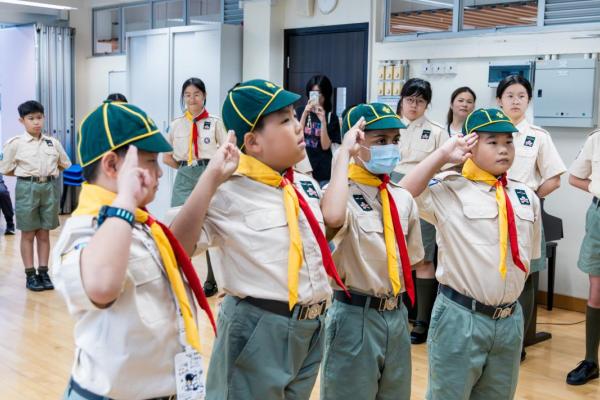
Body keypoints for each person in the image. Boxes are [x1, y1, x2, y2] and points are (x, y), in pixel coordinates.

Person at [167, 79, 347, 399]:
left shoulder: (301, 184)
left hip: (311, 327)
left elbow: (323, 233)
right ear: (252, 142)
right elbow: (177, 249)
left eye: (295, 116)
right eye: (286, 120)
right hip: (259, 327)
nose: (298, 126)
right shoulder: (227, 190)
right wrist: (210, 179)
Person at [52, 100, 237, 399]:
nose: (160, 172)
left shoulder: (140, 223)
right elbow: (101, 285)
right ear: (112, 165)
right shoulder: (86, 228)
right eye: (150, 161)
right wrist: (125, 200)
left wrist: (211, 176)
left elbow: (179, 251)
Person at [400, 108, 541, 399]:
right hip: (461, 317)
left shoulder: (525, 196)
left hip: (508, 319)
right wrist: (443, 155)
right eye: (493, 142)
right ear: (470, 146)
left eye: (509, 141)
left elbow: (528, 261)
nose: (504, 149)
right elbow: (401, 194)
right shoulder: (449, 189)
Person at [319, 103, 424, 399]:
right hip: (355, 314)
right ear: (357, 143)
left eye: (395, 140)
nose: (390, 147)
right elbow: (332, 220)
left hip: (396, 315)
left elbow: (412, 260)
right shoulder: (339, 194)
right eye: (380, 140)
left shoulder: (402, 198)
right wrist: (342, 156)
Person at [497, 75, 566, 360]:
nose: (515, 101)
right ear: (499, 100)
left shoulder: (538, 136)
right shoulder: (487, 131)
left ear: (528, 101)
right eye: (510, 95)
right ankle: (494, 336)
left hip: (524, 215)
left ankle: (519, 342)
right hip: (489, 211)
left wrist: (530, 198)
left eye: (521, 96)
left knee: (525, 277)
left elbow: (555, 178)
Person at [392, 78, 447, 344]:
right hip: (391, 194)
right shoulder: (389, 126)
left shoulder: (436, 131)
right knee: (393, 255)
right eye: (410, 99)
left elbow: (446, 169)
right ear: (402, 100)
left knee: (424, 259)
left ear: (427, 104)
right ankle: (396, 313)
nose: (414, 105)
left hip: (423, 200)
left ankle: (422, 321)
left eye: (420, 101)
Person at [163, 77, 228, 297]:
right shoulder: (176, 124)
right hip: (184, 177)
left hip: (208, 174)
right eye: (188, 95)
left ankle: (211, 280)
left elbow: (225, 151)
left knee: (210, 226)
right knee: (178, 226)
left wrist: (210, 171)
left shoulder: (215, 122)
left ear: (204, 96)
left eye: (196, 94)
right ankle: (181, 278)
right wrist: (184, 168)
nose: (192, 99)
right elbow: (166, 157)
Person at [0, 100, 71, 291]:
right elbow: (5, 168)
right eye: (31, 118)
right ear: (22, 120)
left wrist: (46, 175)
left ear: (44, 118)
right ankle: (30, 274)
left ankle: (44, 272)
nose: (36, 122)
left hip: (49, 188)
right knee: (28, 233)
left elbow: (64, 164)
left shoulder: (52, 143)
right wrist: (27, 176)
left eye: (39, 118)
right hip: (26, 189)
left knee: (44, 233)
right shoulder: (15, 144)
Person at [565, 128, 600, 385]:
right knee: (596, 290)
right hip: (599, 217)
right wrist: (597, 187)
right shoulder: (596, 139)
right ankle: (590, 361)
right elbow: (575, 178)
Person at [296, 74, 341, 186]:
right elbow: (297, 137)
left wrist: (323, 121)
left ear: (326, 94)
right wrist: (305, 114)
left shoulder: (331, 117)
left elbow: (325, 146)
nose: (316, 97)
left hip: (323, 172)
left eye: (319, 93)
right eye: (313, 93)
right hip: (303, 168)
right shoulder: (300, 111)